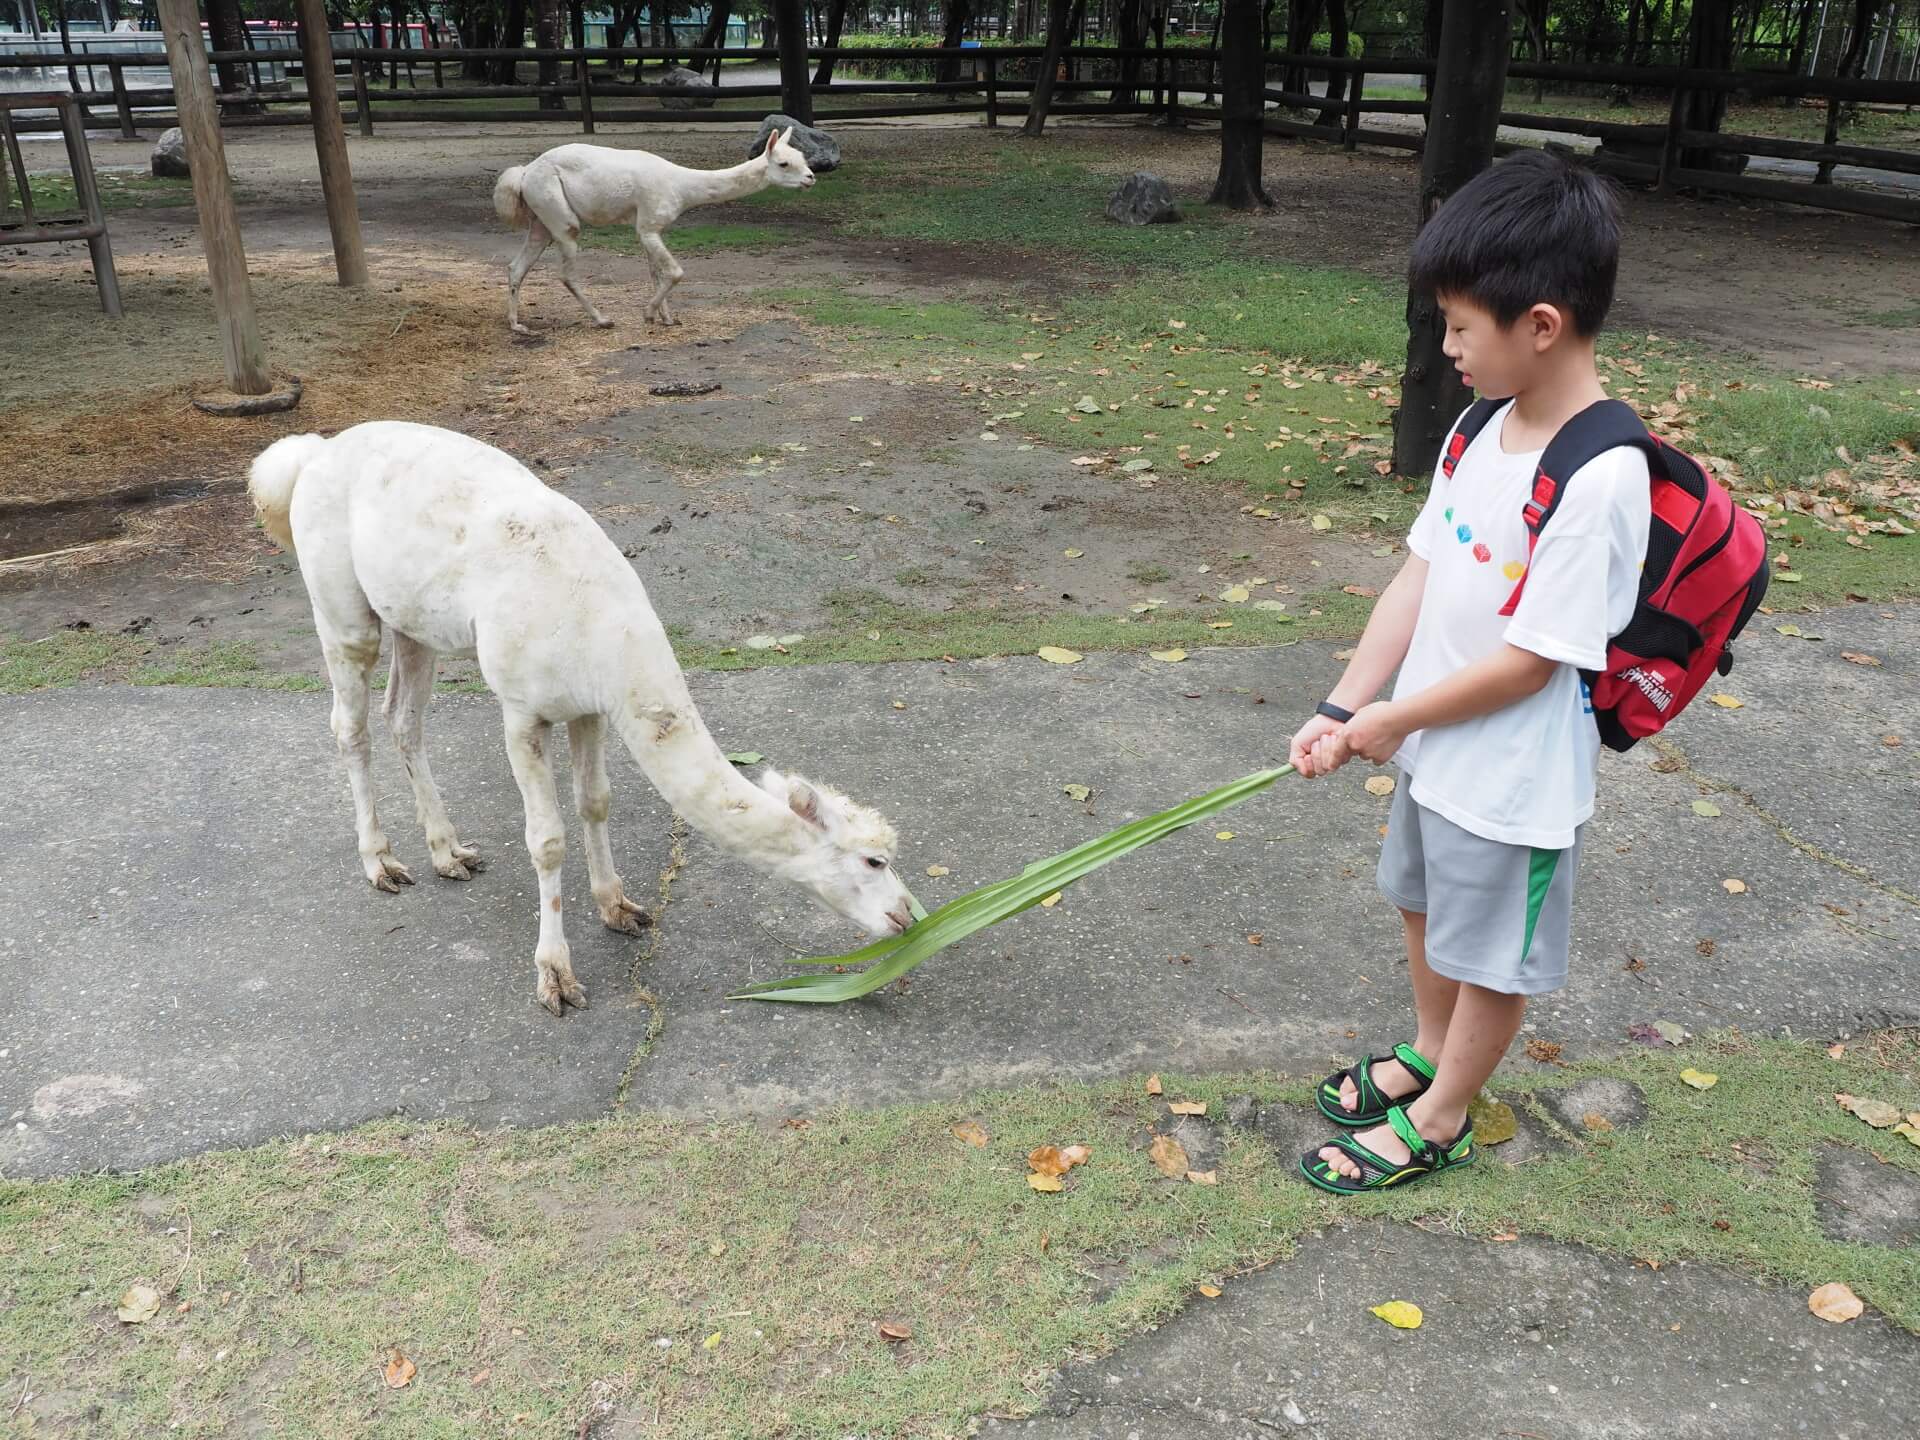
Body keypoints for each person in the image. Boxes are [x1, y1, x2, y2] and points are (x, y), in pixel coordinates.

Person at [1291, 150, 1652, 1193]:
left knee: (1490, 952)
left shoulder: (1600, 478)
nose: (1444, 346)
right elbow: (1417, 576)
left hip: (1510, 785)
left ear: (1539, 325)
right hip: (1431, 751)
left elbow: (1531, 666)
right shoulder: (1481, 425)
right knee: (1422, 906)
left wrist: (1389, 721)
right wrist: (1347, 702)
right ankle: (1425, 1049)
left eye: (1459, 325)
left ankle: (1444, 1112)